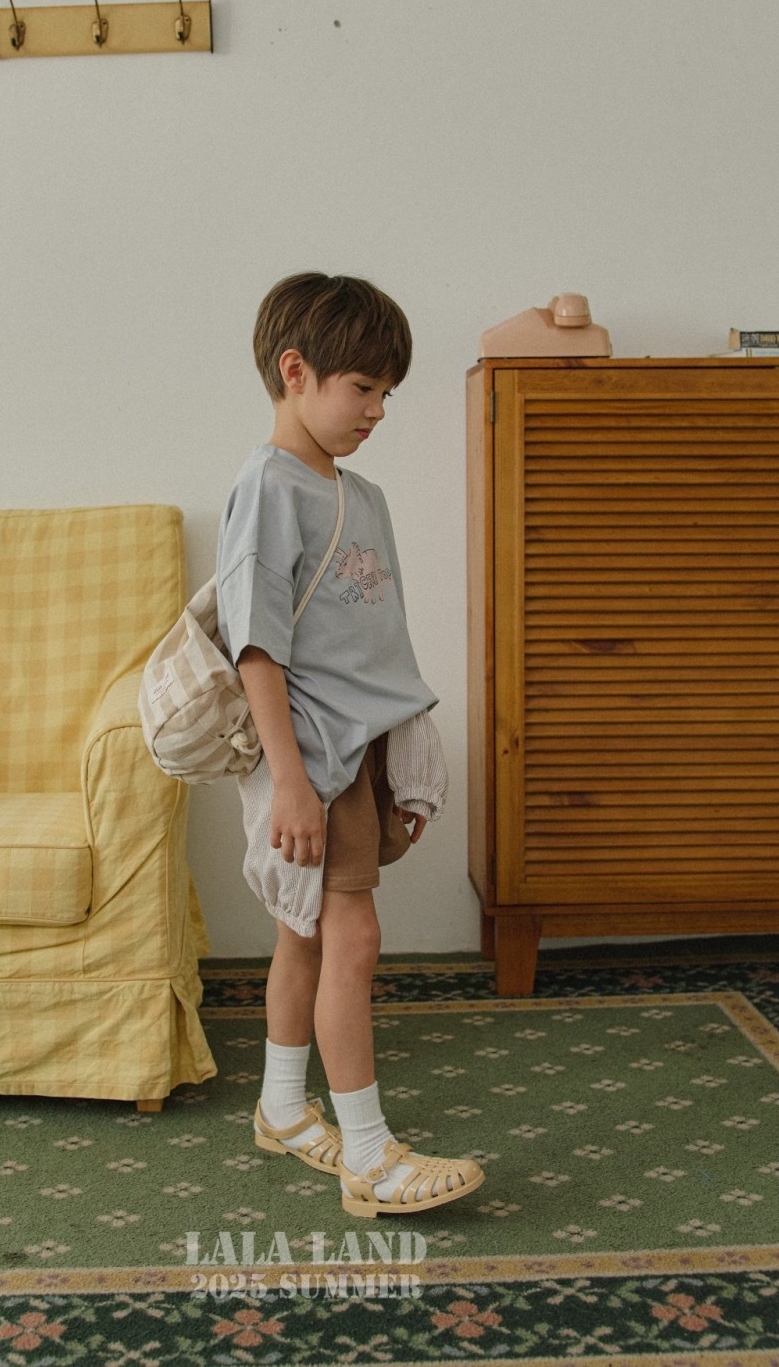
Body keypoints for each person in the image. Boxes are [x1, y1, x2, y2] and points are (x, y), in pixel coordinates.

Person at [216, 272, 484, 1218]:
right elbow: (256, 649)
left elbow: (376, 645)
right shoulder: (267, 488)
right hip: (311, 762)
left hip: (356, 754)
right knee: (354, 938)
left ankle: (285, 1110)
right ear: (296, 371)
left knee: (304, 935)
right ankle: (370, 1158)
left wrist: (405, 759)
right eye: (363, 388)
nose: (378, 410)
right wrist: (290, 785)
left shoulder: (359, 494)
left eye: (386, 392)